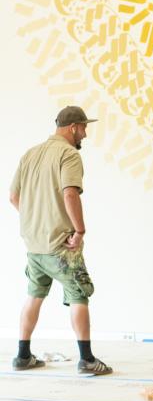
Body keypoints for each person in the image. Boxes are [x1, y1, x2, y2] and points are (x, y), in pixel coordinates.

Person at [10, 106, 112, 375]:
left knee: (34, 295)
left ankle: (22, 356)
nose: (86, 134)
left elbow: (13, 197)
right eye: (84, 128)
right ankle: (87, 359)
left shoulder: (30, 154)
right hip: (61, 245)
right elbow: (70, 194)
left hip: (34, 244)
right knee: (79, 295)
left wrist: (34, 220)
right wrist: (79, 231)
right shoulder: (68, 154)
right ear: (73, 128)